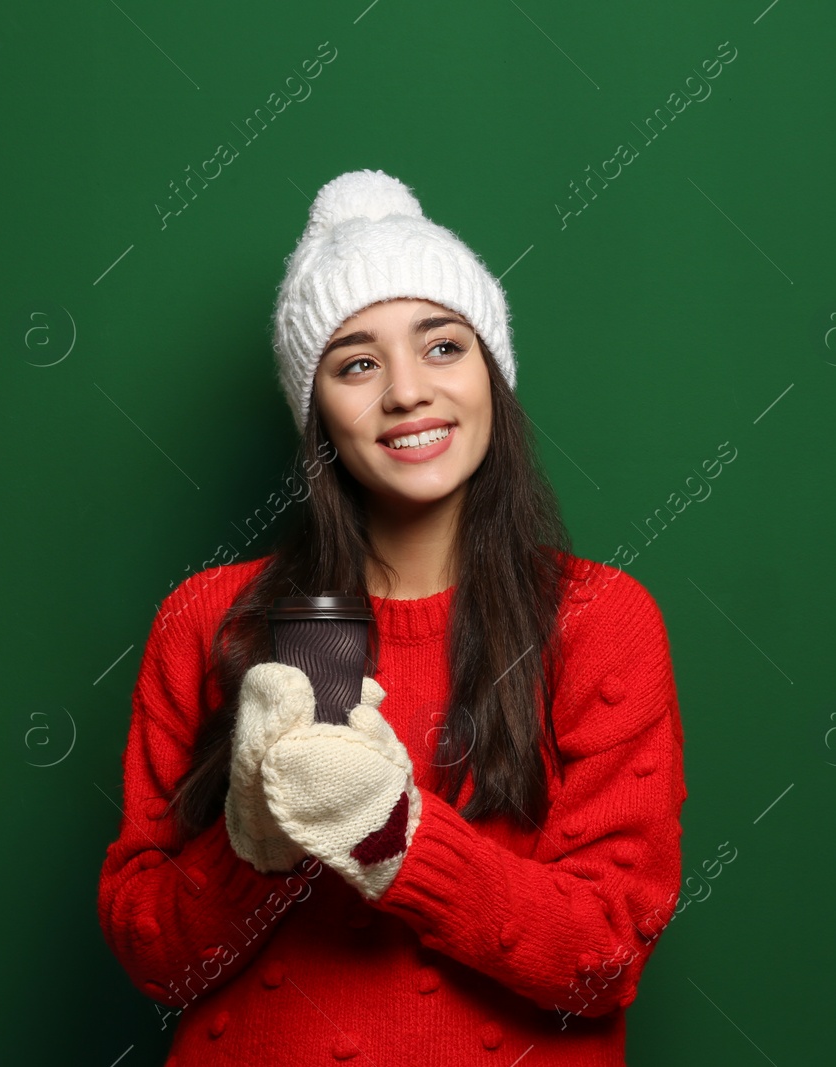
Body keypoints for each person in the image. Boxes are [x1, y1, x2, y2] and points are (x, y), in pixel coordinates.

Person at [97, 169, 687, 1065]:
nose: (408, 392)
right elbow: (155, 962)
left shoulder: (599, 618)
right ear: (317, 410)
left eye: (443, 346)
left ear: (492, 370)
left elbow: (603, 956)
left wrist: (392, 834)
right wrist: (252, 844)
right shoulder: (207, 618)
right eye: (358, 363)